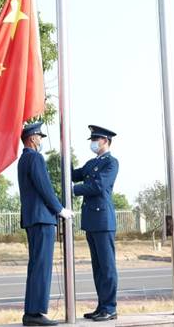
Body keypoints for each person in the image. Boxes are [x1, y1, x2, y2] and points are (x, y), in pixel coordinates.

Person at [18, 122, 74, 326]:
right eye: (39, 137)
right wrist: (60, 209)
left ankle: (31, 311)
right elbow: (44, 188)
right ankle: (36, 312)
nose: (41, 140)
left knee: (36, 265)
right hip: (42, 218)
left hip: (33, 218)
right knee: (42, 266)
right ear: (32, 138)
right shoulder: (34, 157)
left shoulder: (23, 159)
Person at [72, 125, 119, 322]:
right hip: (91, 221)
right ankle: (102, 306)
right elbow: (75, 174)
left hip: (103, 220)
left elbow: (98, 186)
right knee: (98, 267)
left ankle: (110, 307)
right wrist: (63, 161)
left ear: (105, 141)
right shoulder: (91, 163)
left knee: (107, 266)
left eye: (96, 139)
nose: (93, 143)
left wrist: (74, 189)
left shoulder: (111, 163)